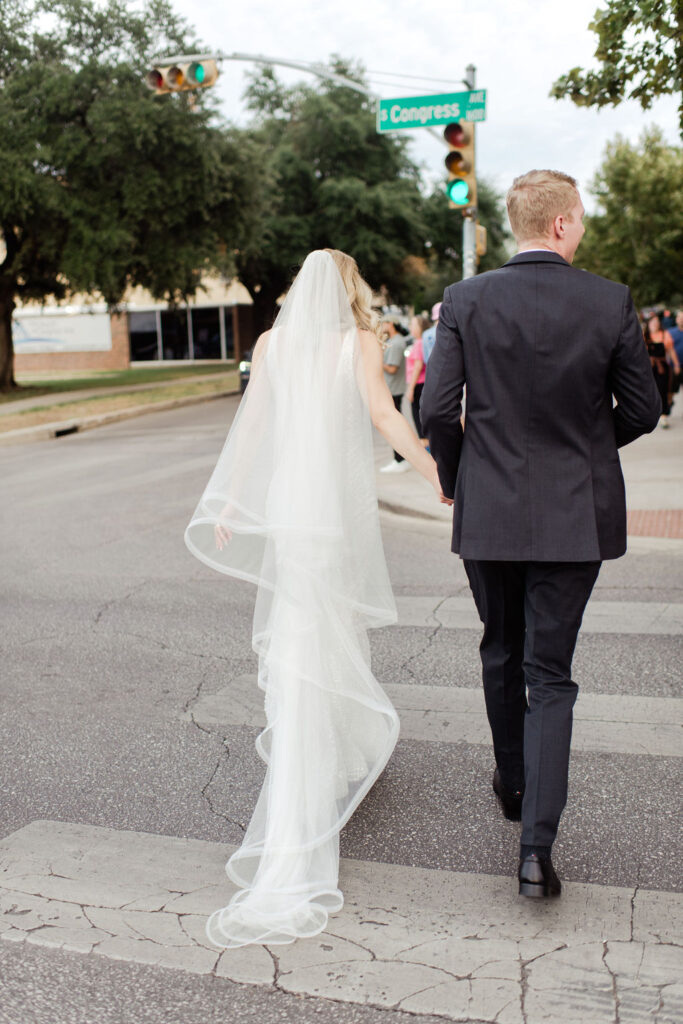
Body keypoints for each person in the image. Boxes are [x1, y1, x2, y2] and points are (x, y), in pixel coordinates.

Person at [184, 249, 450, 949]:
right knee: (327, 629)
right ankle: (321, 766)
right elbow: (384, 418)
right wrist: (429, 469)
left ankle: (323, 756)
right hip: (329, 513)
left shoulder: (271, 344)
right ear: (346, 289)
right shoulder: (360, 341)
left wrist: (232, 503)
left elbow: (254, 429)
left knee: (302, 635)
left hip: (285, 509)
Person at [421, 169, 661, 900]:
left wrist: (457, 476)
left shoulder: (464, 300)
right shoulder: (607, 300)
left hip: (488, 510)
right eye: (580, 218)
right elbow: (642, 408)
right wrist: (585, 449)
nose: (580, 228)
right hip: (572, 514)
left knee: (500, 649)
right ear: (559, 225)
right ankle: (535, 850)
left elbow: (437, 408)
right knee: (548, 674)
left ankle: (515, 785)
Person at [379, 316, 410, 472]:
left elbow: (392, 368)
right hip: (391, 388)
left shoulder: (396, 343)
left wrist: (377, 359)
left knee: (394, 425)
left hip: (393, 389)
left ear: (390, 324)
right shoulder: (393, 341)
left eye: (384, 322)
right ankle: (398, 458)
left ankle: (400, 459)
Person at [644, 312, 680, 428]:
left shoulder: (665, 334)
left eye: (657, 322)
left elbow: (671, 350)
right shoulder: (644, 336)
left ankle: (664, 415)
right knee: (649, 391)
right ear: (648, 324)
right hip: (648, 368)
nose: (655, 324)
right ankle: (651, 414)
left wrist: (676, 364)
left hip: (662, 368)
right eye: (652, 322)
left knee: (663, 390)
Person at [405, 313, 430, 444]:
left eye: (413, 324)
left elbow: (418, 365)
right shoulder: (420, 342)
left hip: (419, 385)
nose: (410, 327)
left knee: (419, 422)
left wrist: (410, 389)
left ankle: (428, 452)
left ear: (420, 327)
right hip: (420, 384)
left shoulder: (420, 343)